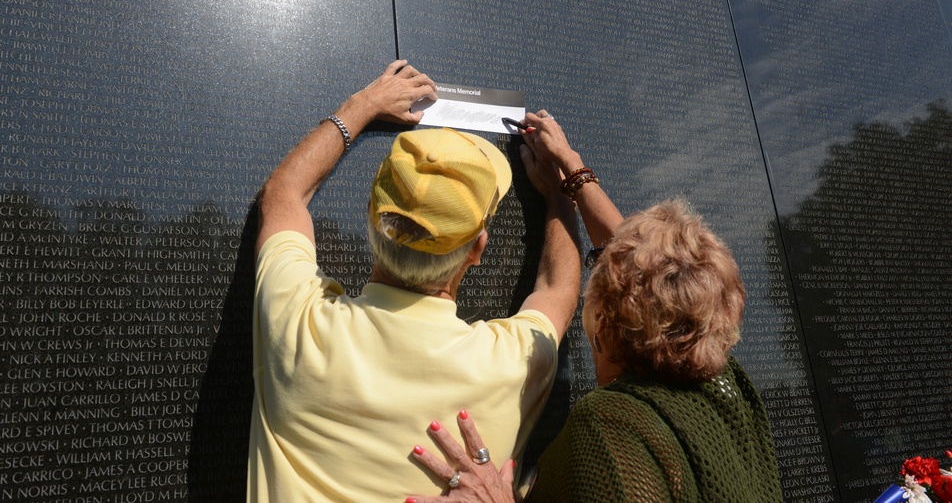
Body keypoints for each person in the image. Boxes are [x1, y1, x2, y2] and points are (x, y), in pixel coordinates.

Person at [248, 60, 582, 502]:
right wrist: (560, 195)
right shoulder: (512, 364)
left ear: (371, 215)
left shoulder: (297, 324)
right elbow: (558, 290)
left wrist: (363, 105)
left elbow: (284, 194)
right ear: (478, 249)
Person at [406, 112, 783, 503]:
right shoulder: (726, 383)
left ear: (602, 322)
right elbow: (646, 270)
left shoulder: (609, 428)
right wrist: (571, 168)